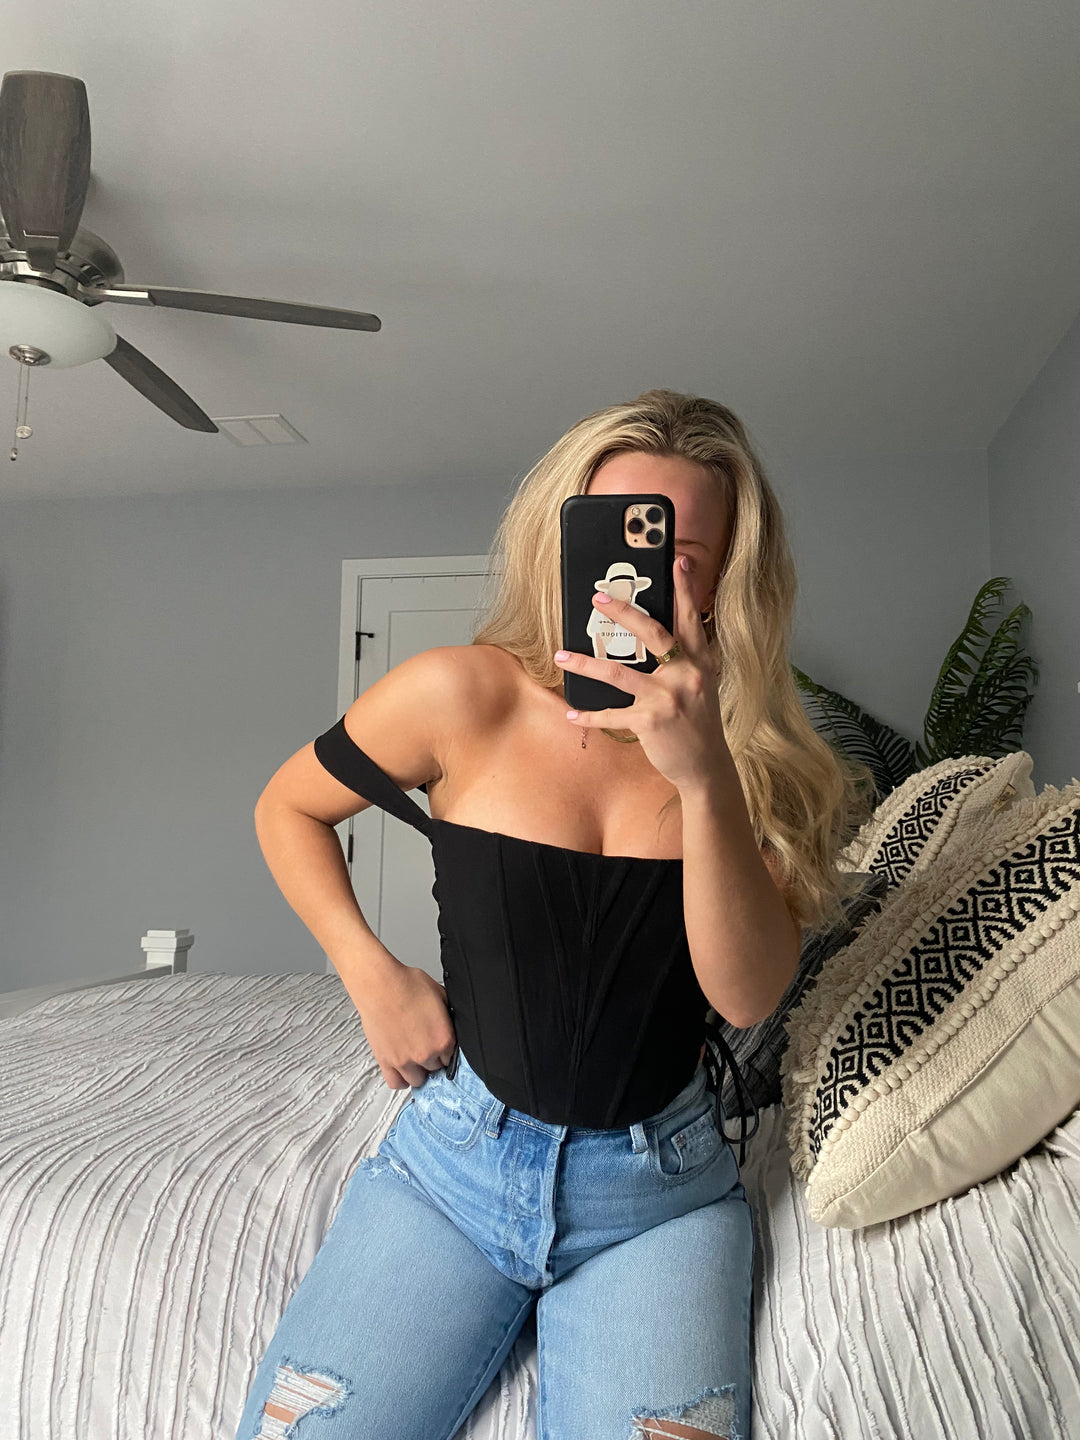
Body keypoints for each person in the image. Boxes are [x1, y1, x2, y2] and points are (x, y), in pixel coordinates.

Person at [237, 389, 872, 1440]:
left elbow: (748, 993)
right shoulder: (462, 695)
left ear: (725, 577)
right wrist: (370, 972)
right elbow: (286, 806)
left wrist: (704, 776)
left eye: (678, 552)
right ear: (561, 540)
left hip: (661, 1199)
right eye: (613, 535)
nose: (637, 574)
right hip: (450, 1167)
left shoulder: (753, 760)